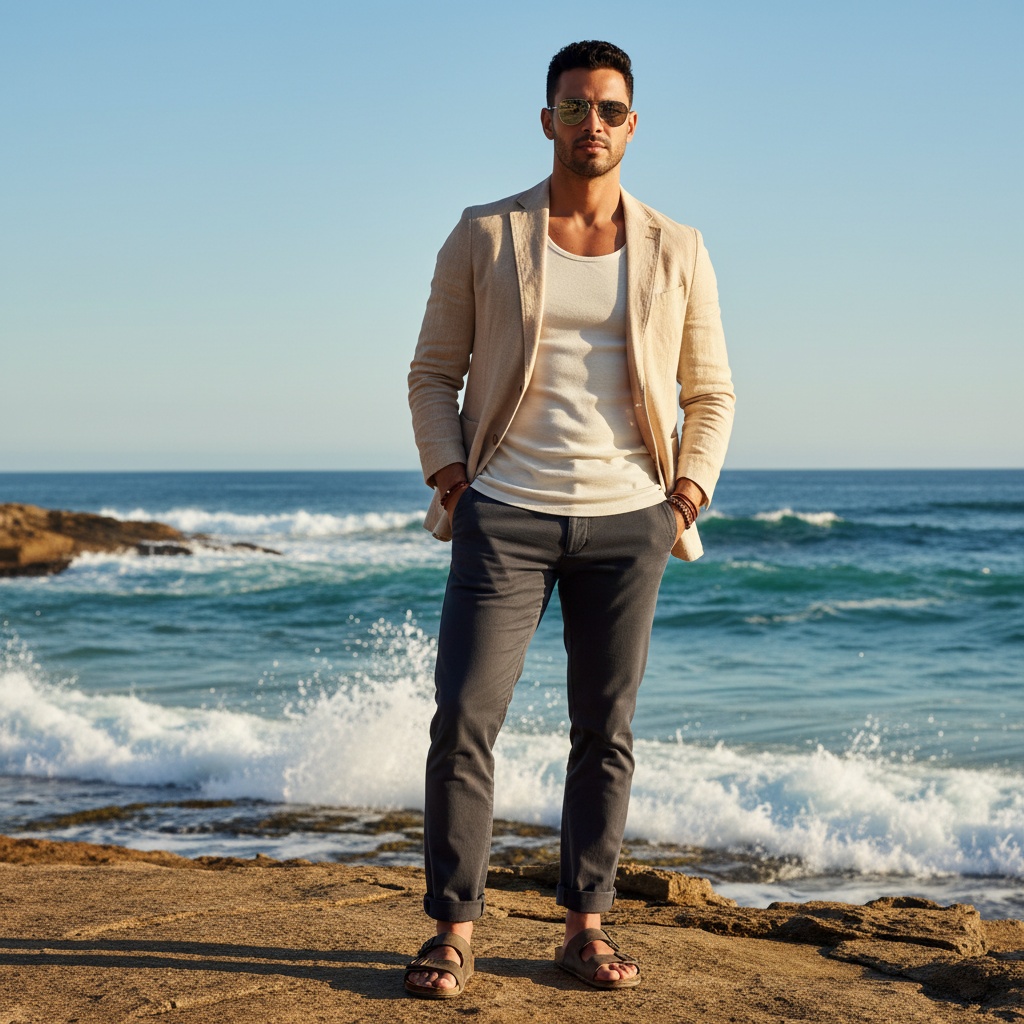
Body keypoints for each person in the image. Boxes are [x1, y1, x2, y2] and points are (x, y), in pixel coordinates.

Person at [405, 40, 735, 998]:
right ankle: (452, 932)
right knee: (465, 717)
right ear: (546, 119)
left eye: (610, 109)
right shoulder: (485, 233)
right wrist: (452, 474)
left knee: (606, 727)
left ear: (633, 124)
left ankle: (584, 927)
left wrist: (685, 497)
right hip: (502, 512)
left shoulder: (679, 246)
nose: (592, 123)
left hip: (631, 522)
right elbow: (434, 371)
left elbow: (709, 393)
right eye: (575, 106)